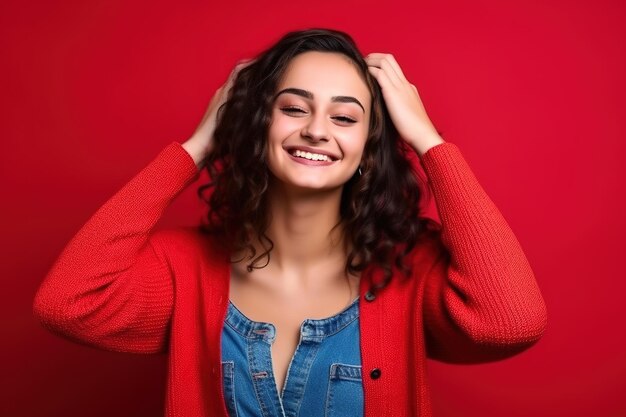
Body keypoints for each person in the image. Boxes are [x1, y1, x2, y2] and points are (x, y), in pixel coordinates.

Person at [33, 28, 548, 417]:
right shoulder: (183, 266)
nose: (317, 130)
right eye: (294, 108)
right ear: (258, 125)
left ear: (367, 149)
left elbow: (512, 322)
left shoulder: (410, 270)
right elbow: (67, 303)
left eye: (345, 118)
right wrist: (195, 148)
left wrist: (429, 142)